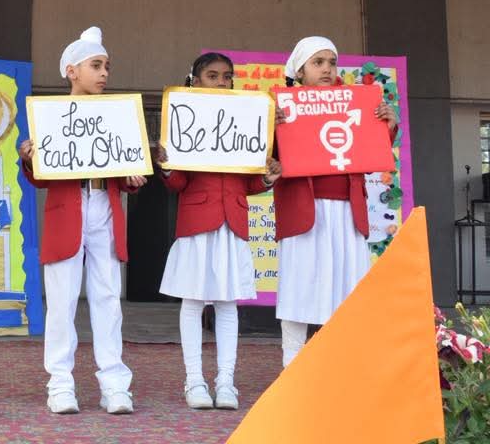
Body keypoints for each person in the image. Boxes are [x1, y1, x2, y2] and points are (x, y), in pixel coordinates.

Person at [18, 26, 147, 415]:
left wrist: (133, 177)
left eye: (107, 65)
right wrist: (29, 156)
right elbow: (41, 175)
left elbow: (128, 171)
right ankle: (60, 383)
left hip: (106, 210)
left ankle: (114, 383)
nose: (104, 72)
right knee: (61, 302)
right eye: (96, 65)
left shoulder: (118, 114)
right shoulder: (51, 116)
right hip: (67, 213)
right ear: (72, 71)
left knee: (108, 299)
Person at [153, 52, 281, 411]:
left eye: (227, 77)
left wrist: (267, 178)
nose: (222, 83)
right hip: (196, 223)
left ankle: (226, 382)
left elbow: (250, 183)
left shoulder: (246, 118)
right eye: (213, 76)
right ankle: (194, 380)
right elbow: (178, 182)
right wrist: (165, 167)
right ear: (194, 81)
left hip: (234, 224)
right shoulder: (185, 118)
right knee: (193, 303)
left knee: (228, 305)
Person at [273, 36, 396, 367]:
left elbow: (371, 155)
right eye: (318, 62)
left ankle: (340, 369)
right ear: (299, 71)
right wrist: (273, 130)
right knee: (300, 288)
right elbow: (268, 160)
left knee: (346, 289)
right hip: (303, 213)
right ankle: (292, 367)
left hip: (346, 213)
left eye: (331, 62)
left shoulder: (356, 104)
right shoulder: (283, 108)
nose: (327, 68)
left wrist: (387, 124)